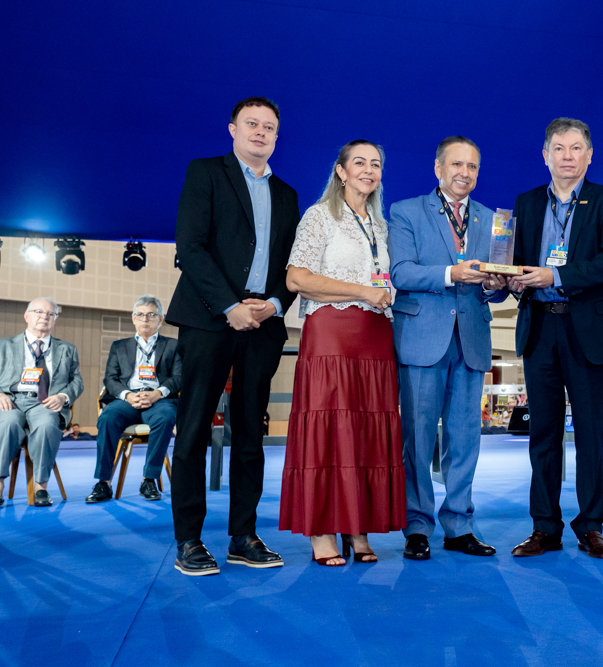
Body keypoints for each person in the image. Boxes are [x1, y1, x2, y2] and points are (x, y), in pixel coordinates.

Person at [166, 97, 300, 576]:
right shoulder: (205, 173)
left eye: (269, 127)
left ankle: (244, 534)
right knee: (196, 428)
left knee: (249, 434)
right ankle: (189, 539)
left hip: (262, 326)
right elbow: (191, 247)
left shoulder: (286, 194)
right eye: (252, 124)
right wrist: (230, 306)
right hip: (209, 319)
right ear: (232, 129)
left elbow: (291, 266)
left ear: (277, 137)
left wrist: (275, 305)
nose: (260, 133)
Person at [507, 118, 603, 559]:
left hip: (588, 330)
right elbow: (514, 261)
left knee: (590, 437)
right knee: (542, 434)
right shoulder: (524, 204)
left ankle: (591, 526)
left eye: (576, 148)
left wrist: (554, 274)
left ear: (589, 154)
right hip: (540, 326)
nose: (567, 156)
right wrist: (507, 279)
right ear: (545, 155)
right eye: (558, 148)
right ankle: (544, 527)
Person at [279, 140, 406, 566]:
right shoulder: (320, 216)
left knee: (365, 434)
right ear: (341, 171)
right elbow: (296, 278)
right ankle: (320, 531)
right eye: (359, 163)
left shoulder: (381, 225)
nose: (369, 170)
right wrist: (363, 291)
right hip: (332, 331)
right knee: (329, 431)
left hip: (375, 337)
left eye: (376, 164)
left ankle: (356, 526)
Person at [388, 136, 508, 560]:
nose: (464, 173)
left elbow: (499, 289)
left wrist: (497, 286)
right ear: (437, 168)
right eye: (456, 164)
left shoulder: (494, 220)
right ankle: (417, 526)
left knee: (465, 440)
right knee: (418, 440)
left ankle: (459, 525)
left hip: (471, 340)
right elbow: (401, 272)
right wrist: (451, 274)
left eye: (472, 166)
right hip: (422, 340)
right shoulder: (405, 212)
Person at [86, 295, 182, 503]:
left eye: (151, 315)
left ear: (161, 319)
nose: (145, 319)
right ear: (133, 319)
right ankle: (104, 482)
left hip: (160, 400)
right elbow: (110, 379)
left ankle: (149, 479)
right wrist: (128, 395)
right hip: (127, 400)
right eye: (140, 314)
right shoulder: (119, 346)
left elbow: (179, 378)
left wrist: (157, 393)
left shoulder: (174, 346)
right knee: (107, 418)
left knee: (165, 418)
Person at [0, 298, 84, 507]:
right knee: (7, 424)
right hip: (11, 400)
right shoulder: (4, 345)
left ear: (55, 319)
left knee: (47, 425)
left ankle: (41, 487)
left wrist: (62, 397)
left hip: (45, 402)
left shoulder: (67, 349)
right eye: (38, 311)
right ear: (26, 315)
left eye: (50, 314)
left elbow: (77, 380)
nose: (44, 317)